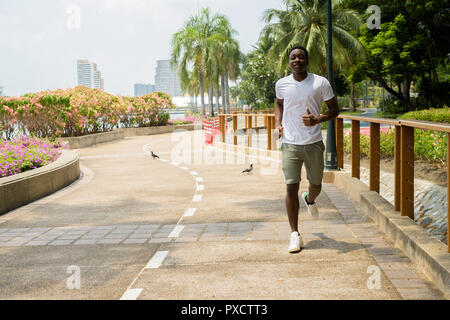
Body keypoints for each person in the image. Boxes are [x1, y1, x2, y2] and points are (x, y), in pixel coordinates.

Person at [274, 46, 339, 253]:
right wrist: (278, 123)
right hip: (290, 143)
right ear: (289, 61)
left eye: (301, 57)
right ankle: (295, 234)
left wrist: (318, 119)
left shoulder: (320, 82)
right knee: (291, 187)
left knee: (316, 185)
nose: (297, 60)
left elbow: (335, 109)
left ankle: (309, 199)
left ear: (306, 61)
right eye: (293, 57)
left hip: (313, 142)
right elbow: (278, 103)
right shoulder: (282, 84)